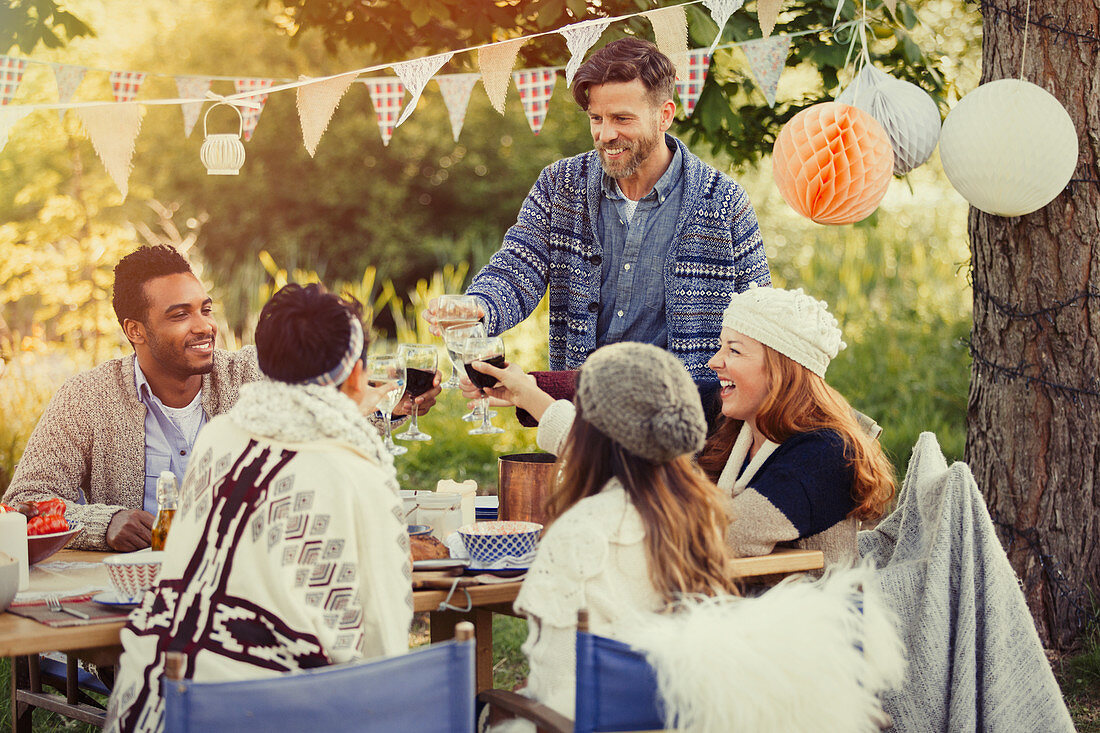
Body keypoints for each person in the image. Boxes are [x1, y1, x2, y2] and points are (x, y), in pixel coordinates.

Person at [104, 283, 413, 733]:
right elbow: (384, 641)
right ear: (354, 375)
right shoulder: (357, 471)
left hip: (148, 702)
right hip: (265, 712)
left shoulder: (218, 437)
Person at [4, 245, 440, 552]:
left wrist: (394, 408)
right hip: (129, 603)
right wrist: (104, 523)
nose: (204, 326)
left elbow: (324, 415)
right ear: (135, 330)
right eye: (180, 315)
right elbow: (24, 502)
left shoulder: (252, 371)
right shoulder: (87, 398)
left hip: (245, 589)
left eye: (205, 309)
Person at [428, 37, 769, 410]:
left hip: (687, 430)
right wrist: (479, 306)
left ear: (664, 115)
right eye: (597, 118)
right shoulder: (559, 185)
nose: (606, 134)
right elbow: (517, 266)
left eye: (622, 119)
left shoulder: (723, 201)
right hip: (581, 421)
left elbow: (760, 322)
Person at [466, 285, 894, 567]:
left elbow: (712, 536)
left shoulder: (827, 454)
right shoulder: (730, 415)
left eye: (734, 351)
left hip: (794, 652)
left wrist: (544, 407)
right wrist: (526, 386)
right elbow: (633, 387)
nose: (715, 361)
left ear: (782, 369)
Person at [488, 342, 738, 731]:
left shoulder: (581, 532)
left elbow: (554, 688)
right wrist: (531, 396)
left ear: (592, 432)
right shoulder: (699, 513)